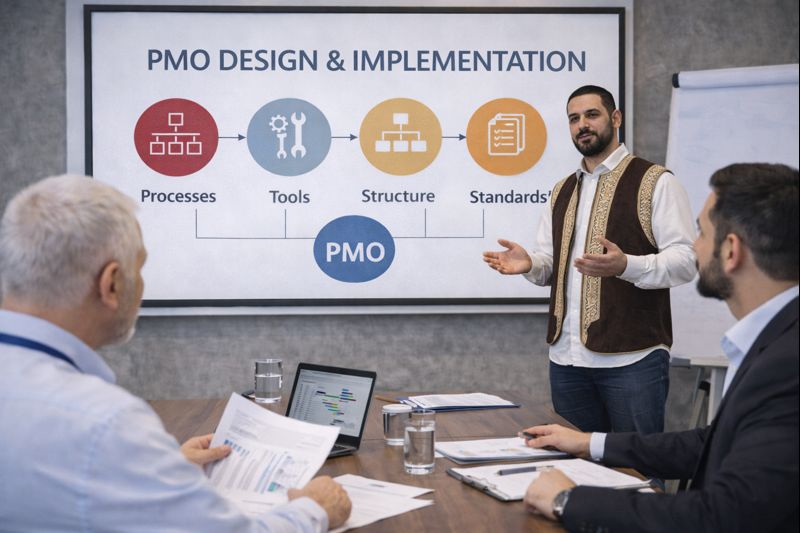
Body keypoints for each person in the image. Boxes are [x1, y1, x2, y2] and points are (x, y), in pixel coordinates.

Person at [0, 175, 351, 531]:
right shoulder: (104, 424)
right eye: (140, 267)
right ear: (112, 283)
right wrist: (314, 508)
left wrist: (154, 471)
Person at [522, 163, 799, 532]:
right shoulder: (776, 341)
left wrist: (568, 500)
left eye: (701, 233)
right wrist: (589, 443)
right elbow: (710, 443)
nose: (695, 247)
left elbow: (723, 516)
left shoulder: (786, 365)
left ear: (731, 251)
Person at [483, 85, 696, 433]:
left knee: (636, 462)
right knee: (575, 462)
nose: (582, 125)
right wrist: (531, 264)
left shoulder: (655, 181)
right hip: (566, 362)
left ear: (616, 118)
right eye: (574, 119)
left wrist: (627, 266)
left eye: (591, 115)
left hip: (633, 359)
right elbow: (551, 265)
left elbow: (686, 261)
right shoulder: (562, 190)